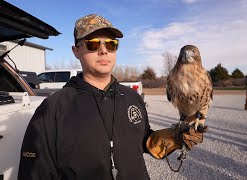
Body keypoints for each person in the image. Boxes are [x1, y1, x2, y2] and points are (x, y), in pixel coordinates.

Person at [18, 14, 203, 180]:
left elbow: (145, 142)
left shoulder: (132, 98)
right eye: (92, 44)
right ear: (76, 51)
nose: (103, 50)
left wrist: (175, 137)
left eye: (111, 44)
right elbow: (35, 173)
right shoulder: (53, 108)